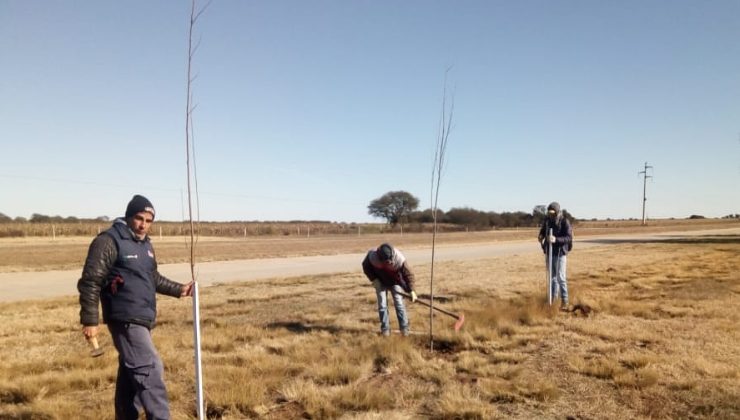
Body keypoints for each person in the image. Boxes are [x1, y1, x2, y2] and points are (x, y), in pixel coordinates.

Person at [78, 194, 194, 420]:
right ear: (128, 216)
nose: (143, 225)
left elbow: (152, 278)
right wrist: (90, 320)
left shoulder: (145, 245)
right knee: (150, 370)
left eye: (148, 221)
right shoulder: (109, 241)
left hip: (142, 317)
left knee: (131, 379)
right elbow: (90, 281)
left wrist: (180, 289)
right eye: (139, 218)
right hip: (125, 318)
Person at [362, 243, 418, 336]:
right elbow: (365, 266)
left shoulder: (399, 258)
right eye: (387, 261)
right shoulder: (372, 257)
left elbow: (409, 274)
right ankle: (385, 330)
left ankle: (404, 329)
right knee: (382, 305)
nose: (390, 262)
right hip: (380, 282)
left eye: (390, 260)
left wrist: (412, 290)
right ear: (380, 258)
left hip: (395, 281)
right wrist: (374, 280)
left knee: (399, 304)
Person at [538, 201, 573, 310]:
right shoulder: (547, 221)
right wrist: (541, 236)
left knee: (560, 277)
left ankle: (565, 301)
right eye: (549, 213)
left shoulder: (564, 222)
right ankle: (552, 300)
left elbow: (568, 238)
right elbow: (543, 231)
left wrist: (556, 239)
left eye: (553, 213)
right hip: (549, 253)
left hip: (560, 253)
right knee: (552, 278)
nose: (551, 215)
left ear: (557, 212)